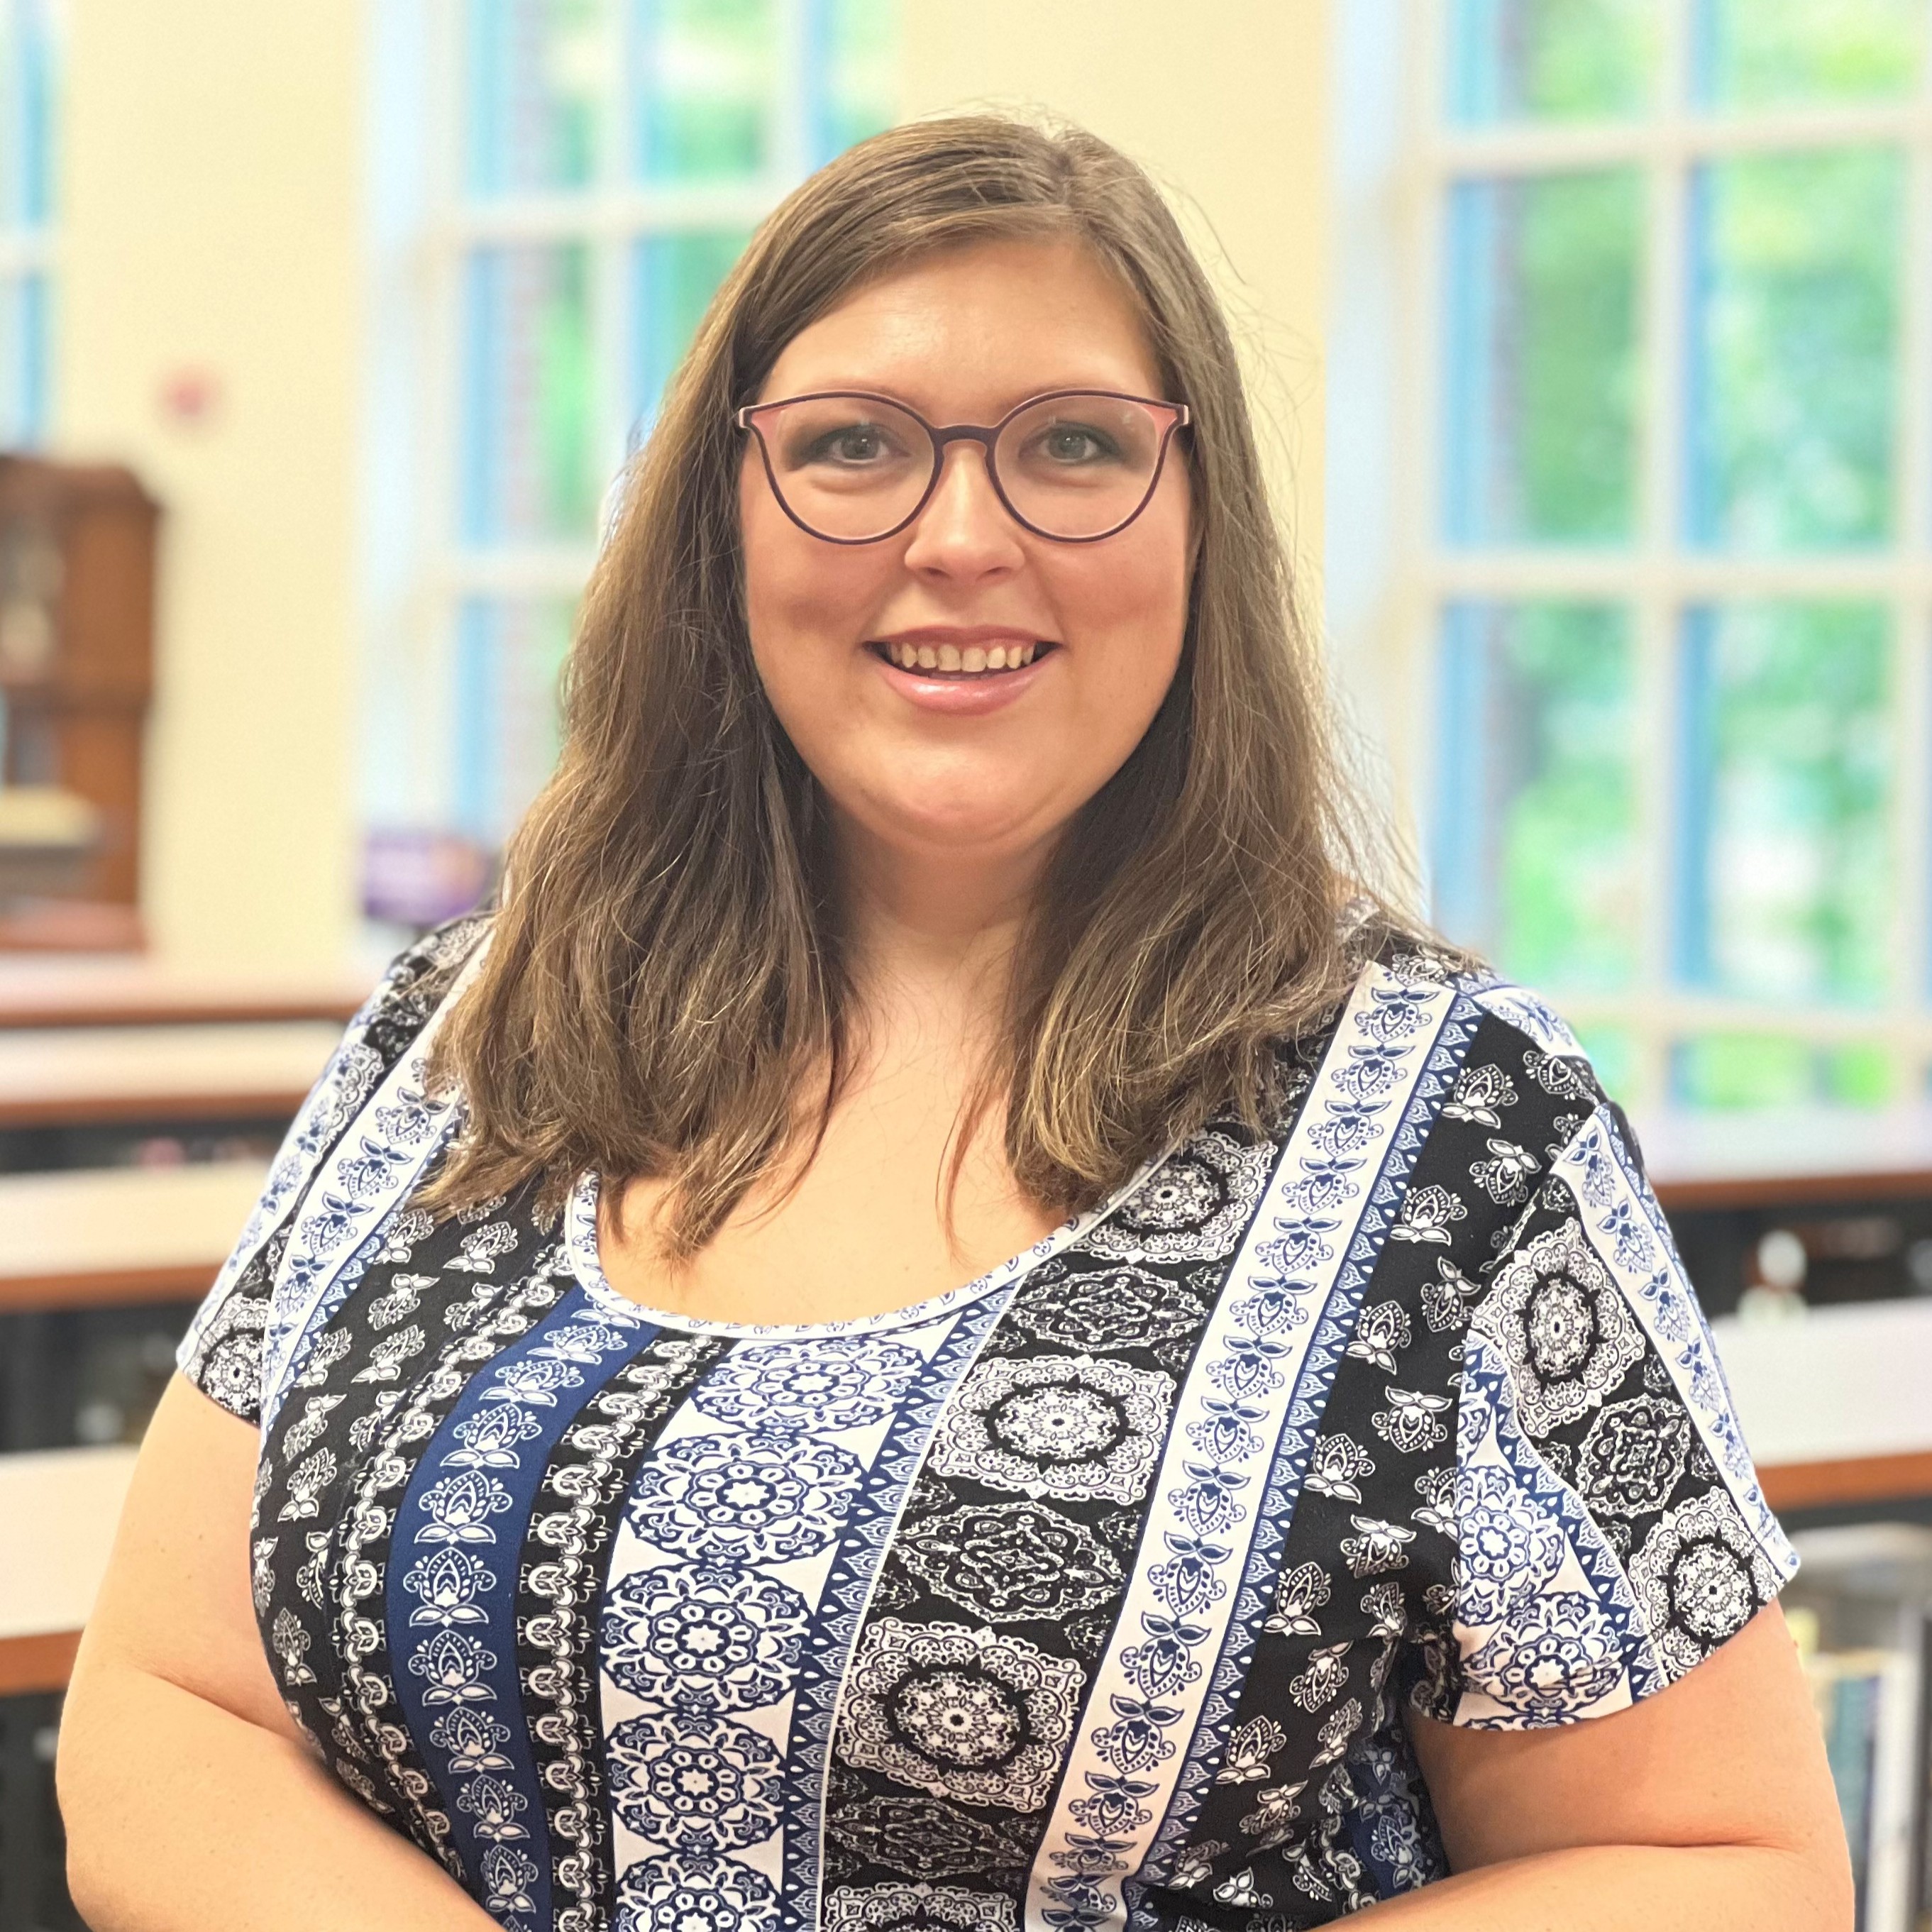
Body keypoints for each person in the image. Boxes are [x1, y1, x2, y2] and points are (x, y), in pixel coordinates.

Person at [58, 116, 1850, 1932]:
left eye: (1075, 447)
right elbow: (165, 1709)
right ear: (721, 522)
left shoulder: (1458, 1128)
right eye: (853, 448)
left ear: (1199, 515)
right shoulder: (467, 1034)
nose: (962, 540)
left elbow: (1723, 1867)